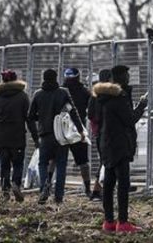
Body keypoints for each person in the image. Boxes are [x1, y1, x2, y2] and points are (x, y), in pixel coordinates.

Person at [93, 65, 148, 233]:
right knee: (123, 184)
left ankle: (108, 221)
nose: (128, 78)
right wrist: (141, 106)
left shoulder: (102, 98)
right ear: (119, 78)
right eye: (126, 75)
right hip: (120, 145)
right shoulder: (119, 98)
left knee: (109, 184)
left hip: (106, 143)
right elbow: (130, 119)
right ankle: (123, 222)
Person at [28, 69, 86, 205]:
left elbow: (30, 116)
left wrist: (40, 121)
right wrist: (80, 130)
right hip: (61, 135)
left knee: (43, 163)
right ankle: (59, 196)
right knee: (61, 165)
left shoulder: (38, 94)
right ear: (56, 78)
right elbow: (73, 112)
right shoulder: (63, 93)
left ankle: (44, 187)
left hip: (45, 135)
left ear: (43, 78)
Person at [0, 70, 38, 202]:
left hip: (1, 138)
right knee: (18, 163)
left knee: (4, 164)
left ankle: (5, 189)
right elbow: (29, 119)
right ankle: (16, 183)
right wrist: (36, 138)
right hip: (17, 137)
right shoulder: (22, 96)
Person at [62, 67, 93, 197]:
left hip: (61, 128)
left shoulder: (60, 91)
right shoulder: (84, 92)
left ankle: (50, 186)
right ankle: (87, 188)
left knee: (56, 160)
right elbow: (91, 110)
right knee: (83, 161)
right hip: (77, 129)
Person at [87, 68, 112, 200]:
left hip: (98, 132)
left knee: (104, 159)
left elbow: (90, 113)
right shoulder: (109, 94)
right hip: (106, 131)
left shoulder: (94, 94)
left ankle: (98, 188)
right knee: (106, 160)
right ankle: (98, 188)